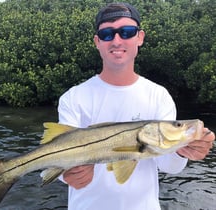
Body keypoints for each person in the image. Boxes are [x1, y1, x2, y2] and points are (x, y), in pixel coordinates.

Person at [57, 2, 215, 210]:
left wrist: (184, 151)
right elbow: (58, 157)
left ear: (139, 37)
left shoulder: (158, 95)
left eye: (127, 32)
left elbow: (169, 166)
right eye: (107, 34)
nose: (116, 40)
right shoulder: (72, 97)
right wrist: (65, 174)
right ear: (97, 41)